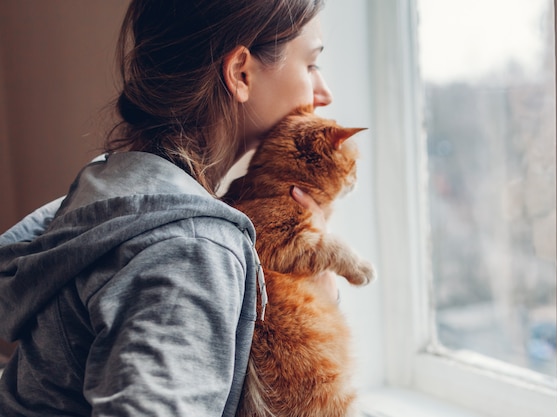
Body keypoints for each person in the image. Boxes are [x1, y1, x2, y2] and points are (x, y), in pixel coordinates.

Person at [0, 0, 337, 415]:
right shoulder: (190, 250)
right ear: (240, 73)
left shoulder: (114, 188)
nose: (324, 94)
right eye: (310, 65)